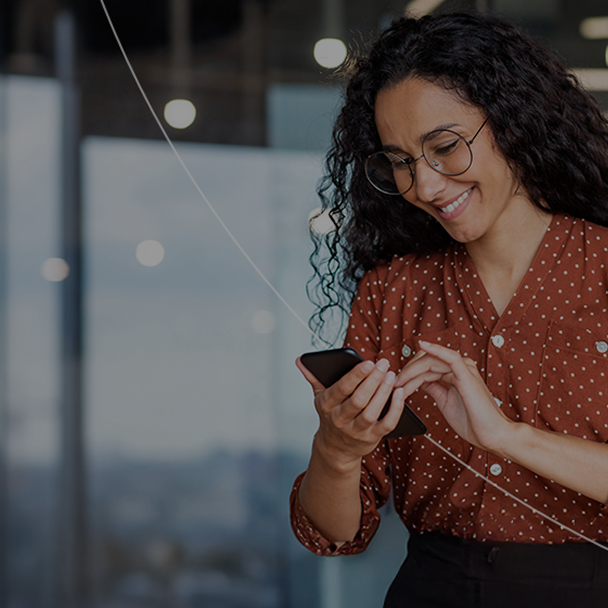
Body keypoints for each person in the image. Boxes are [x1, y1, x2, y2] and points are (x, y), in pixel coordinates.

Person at [290, 11, 608, 608]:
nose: (426, 186)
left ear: (515, 122)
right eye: (401, 161)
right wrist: (336, 450)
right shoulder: (393, 293)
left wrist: (505, 436)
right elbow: (334, 533)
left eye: (444, 147)